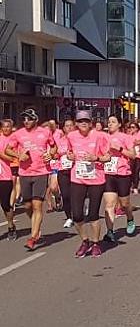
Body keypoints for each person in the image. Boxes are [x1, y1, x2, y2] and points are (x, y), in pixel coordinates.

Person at [5, 108, 56, 250]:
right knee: (28, 206)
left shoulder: (45, 132)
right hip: (25, 172)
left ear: (36, 120)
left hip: (41, 172)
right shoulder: (18, 134)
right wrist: (18, 155)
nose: (26, 121)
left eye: (29, 119)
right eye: (24, 119)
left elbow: (53, 147)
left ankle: (33, 237)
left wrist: (50, 154)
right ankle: (35, 224)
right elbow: (7, 149)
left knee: (37, 205)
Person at [67, 110, 110, 257]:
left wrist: (96, 158)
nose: (83, 123)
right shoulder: (71, 136)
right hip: (77, 178)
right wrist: (69, 155)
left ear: (90, 123)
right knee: (77, 215)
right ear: (76, 123)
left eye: (85, 121)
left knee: (93, 214)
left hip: (96, 179)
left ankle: (96, 243)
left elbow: (108, 157)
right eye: (80, 121)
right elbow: (69, 152)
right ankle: (85, 241)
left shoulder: (99, 136)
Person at [102, 115, 138, 243]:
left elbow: (133, 155)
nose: (110, 124)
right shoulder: (103, 137)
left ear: (119, 125)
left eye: (113, 122)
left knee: (124, 204)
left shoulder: (125, 137)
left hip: (123, 173)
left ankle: (130, 218)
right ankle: (110, 231)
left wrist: (120, 149)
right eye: (109, 121)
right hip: (108, 173)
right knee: (109, 204)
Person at [0, 119, 17, 240]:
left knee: (5, 204)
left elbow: (12, 157)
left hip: (5, 175)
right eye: (4, 127)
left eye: (8, 127)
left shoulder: (13, 141)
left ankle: (11, 226)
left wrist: (2, 155)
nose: (6, 129)